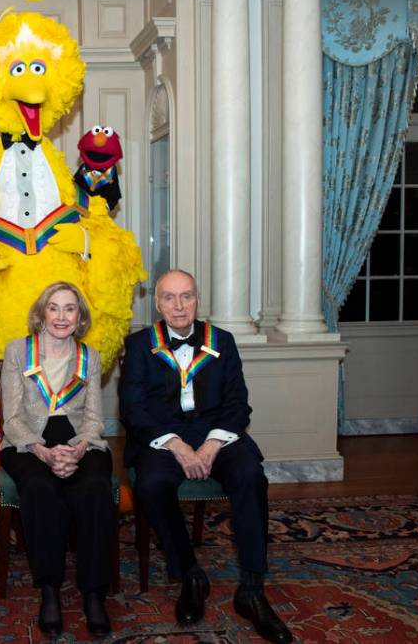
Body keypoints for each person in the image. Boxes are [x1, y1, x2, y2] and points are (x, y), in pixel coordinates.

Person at [120, 269, 293, 644]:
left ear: (198, 299)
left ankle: (251, 589)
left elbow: (238, 403)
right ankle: (191, 575)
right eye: (169, 297)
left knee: (250, 474)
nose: (179, 305)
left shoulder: (223, 342)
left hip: (217, 435)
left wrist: (212, 445)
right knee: (151, 484)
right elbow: (133, 409)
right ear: (157, 302)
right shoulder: (138, 345)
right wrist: (178, 446)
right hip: (163, 439)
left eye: (186, 296)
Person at [0, 281, 114, 637]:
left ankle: (94, 592)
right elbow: (12, 417)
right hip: (29, 440)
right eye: (54, 307)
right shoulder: (18, 351)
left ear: (79, 317)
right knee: (39, 487)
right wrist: (43, 452)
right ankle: (49, 590)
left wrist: (79, 447)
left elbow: (95, 416)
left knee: (94, 486)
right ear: (41, 313)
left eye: (70, 309)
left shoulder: (89, 356)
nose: (61, 316)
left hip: (80, 438)